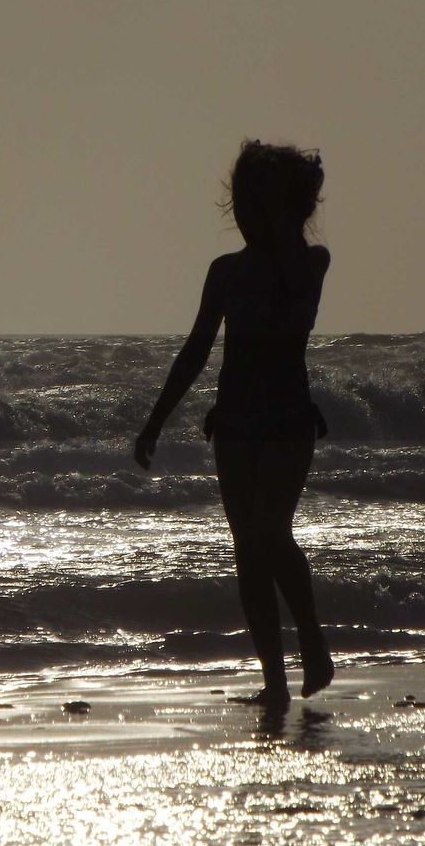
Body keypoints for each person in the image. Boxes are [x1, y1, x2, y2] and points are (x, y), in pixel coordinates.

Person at [133, 139, 334, 709]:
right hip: (236, 426)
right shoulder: (224, 273)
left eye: (261, 204)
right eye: (245, 204)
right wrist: (155, 423)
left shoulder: (309, 265)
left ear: (289, 209)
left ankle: (313, 643)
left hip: (289, 421)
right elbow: (196, 351)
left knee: (272, 533)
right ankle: (274, 681)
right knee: (248, 547)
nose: (249, 216)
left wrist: (280, 222)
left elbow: (292, 303)